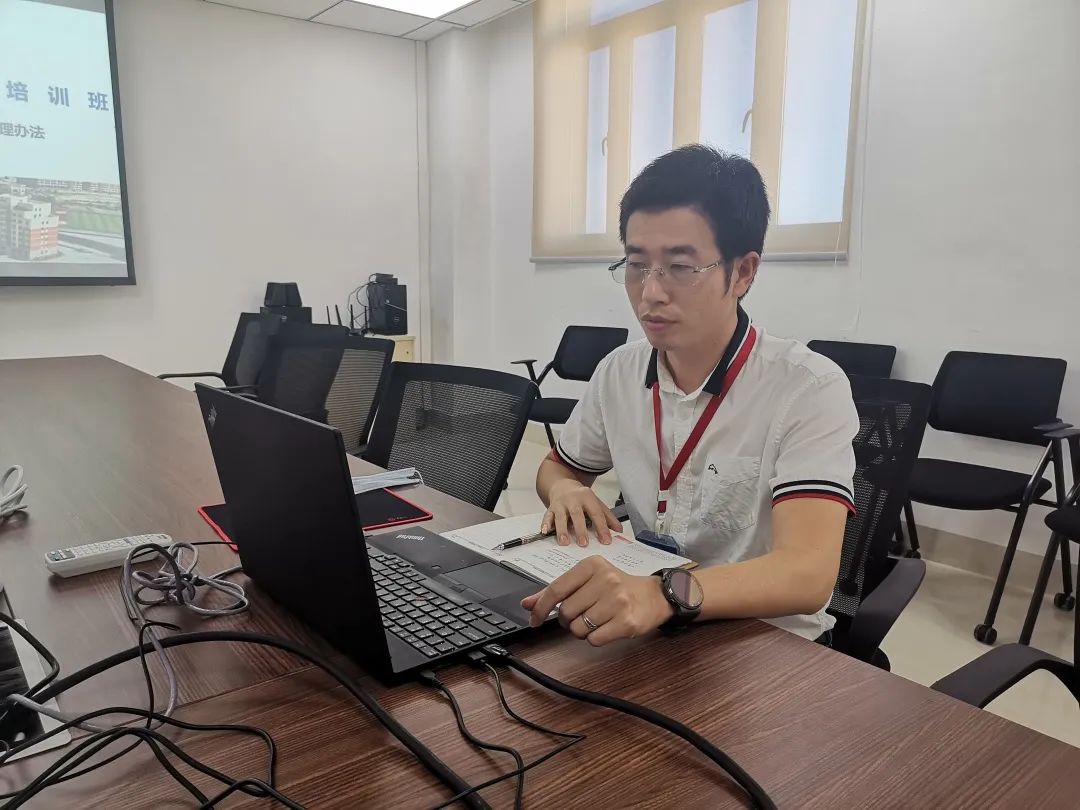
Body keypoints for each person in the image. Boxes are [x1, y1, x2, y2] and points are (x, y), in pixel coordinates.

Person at [522, 145, 859, 644]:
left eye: (680, 267)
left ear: (742, 273)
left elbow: (807, 574)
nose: (650, 293)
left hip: (764, 642)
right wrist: (567, 491)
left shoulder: (808, 388)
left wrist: (665, 594)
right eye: (637, 265)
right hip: (653, 628)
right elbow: (558, 468)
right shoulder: (620, 371)